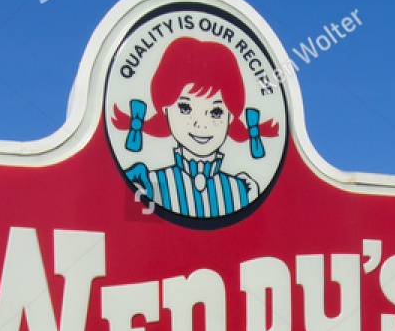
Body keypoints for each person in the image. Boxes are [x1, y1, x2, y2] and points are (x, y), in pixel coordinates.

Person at [112, 37, 281, 220]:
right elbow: (140, 235)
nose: (200, 124)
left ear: (231, 116)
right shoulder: (149, 185)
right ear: (165, 109)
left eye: (216, 112)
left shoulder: (243, 190)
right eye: (185, 108)